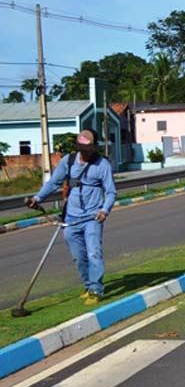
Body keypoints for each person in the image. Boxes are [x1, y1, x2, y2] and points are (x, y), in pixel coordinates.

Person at [26, 130, 117, 304]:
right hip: (70, 219)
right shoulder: (68, 161)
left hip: (92, 217)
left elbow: (111, 192)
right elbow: (53, 183)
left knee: (94, 253)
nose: (85, 152)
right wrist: (37, 198)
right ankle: (88, 285)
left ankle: (96, 291)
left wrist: (104, 210)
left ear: (94, 147)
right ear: (78, 147)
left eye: (89, 148)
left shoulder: (102, 164)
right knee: (78, 256)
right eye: (82, 148)